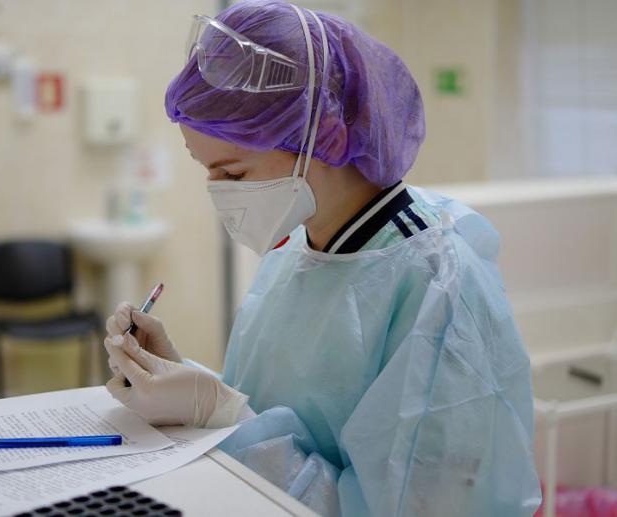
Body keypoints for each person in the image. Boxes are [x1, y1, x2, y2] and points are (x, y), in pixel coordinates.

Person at [103, 1, 542, 515]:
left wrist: (217, 414)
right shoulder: (299, 249)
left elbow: (410, 506)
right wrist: (179, 380)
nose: (217, 192)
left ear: (327, 138)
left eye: (234, 174)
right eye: (207, 170)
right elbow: (275, 413)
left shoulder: (435, 284)